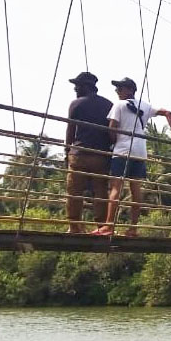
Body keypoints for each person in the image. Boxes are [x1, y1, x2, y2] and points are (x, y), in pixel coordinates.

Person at [93, 77, 171, 236]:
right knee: (136, 189)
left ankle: (108, 226)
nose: (117, 91)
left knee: (116, 187)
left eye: (120, 88)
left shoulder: (118, 105)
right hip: (140, 152)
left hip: (122, 151)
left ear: (130, 90)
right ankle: (133, 228)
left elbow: (112, 129)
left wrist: (113, 143)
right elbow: (167, 112)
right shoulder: (145, 106)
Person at [64, 71, 113, 234]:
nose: (75, 89)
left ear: (85, 87)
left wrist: (67, 151)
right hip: (101, 155)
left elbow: (70, 130)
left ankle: (74, 226)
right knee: (100, 191)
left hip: (80, 153)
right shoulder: (108, 105)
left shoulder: (76, 104)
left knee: (74, 191)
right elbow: (112, 131)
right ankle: (101, 227)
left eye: (77, 86)